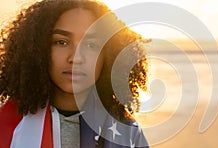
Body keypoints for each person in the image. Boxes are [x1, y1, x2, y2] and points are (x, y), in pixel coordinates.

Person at [0, 0, 149, 147]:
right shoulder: (5, 125)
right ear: (38, 47)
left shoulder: (128, 134)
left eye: (91, 45)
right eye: (61, 42)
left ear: (109, 55)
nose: (76, 58)